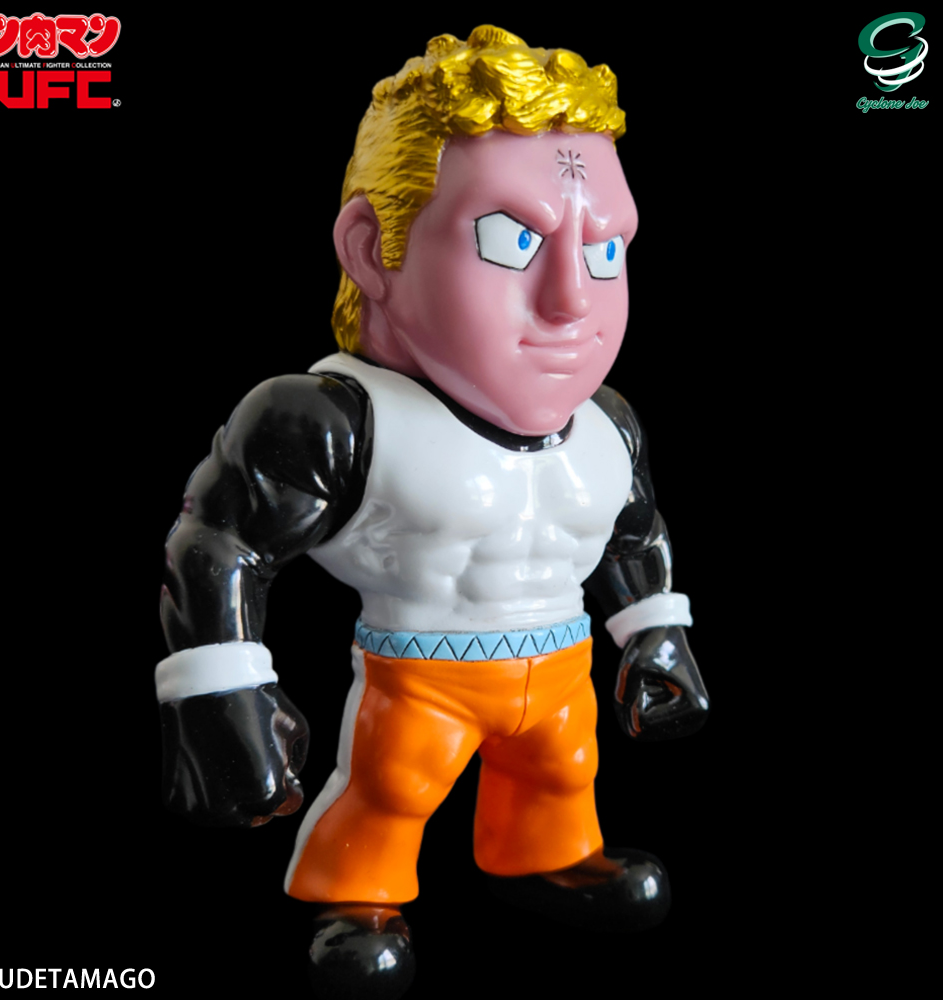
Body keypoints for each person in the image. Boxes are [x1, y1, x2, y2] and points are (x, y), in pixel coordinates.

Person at [155, 25, 709, 997]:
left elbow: (635, 534)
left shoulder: (607, 427)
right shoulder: (336, 420)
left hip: (562, 665)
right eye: (513, 240)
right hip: (424, 676)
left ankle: (546, 854)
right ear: (373, 249)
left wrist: (655, 633)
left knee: (564, 768)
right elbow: (218, 543)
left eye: (604, 249)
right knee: (391, 787)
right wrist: (220, 697)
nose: (571, 300)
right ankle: (355, 894)